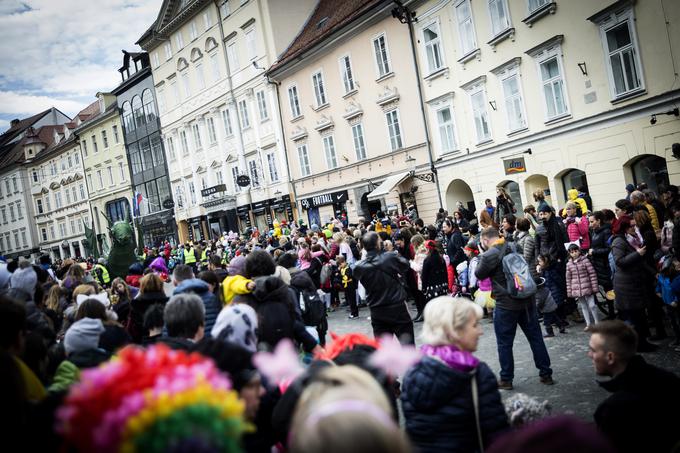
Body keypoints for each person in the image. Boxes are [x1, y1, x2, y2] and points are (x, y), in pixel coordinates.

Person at [401, 296, 509, 453]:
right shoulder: (476, 374)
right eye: (474, 325)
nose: (480, 331)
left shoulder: (412, 371)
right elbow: (498, 436)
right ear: (455, 331)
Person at [475, 227, 553, 389]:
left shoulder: (489, 255)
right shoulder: (514, 246)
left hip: (506, 304)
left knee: (504, 343)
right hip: (526, 299)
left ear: (485, 240)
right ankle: (546, 374)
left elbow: (479, 274)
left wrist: (482, 252)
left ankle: (506, 379)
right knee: (536, 338)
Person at [588, 320, 680, 453]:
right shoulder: (668, 378)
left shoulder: (613, 409)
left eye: (593, 350)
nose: (589, 354)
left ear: (610, 357)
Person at [354, 232, 415, 345]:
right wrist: (387, 252)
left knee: (382, 348)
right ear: (379, 244)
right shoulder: (390, 257)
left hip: (377, 310)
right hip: (396, 307)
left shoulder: (358, 267)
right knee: (408, 345)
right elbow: (405, 265)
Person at [610, 215, 657, 352]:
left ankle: (642, 343)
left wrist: (654, 273)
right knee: (635, 317)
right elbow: (620, 262)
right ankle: (639, 345)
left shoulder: (632, 238)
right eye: (631, 226)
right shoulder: (618, 241)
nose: (634, 228)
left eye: (634, 225)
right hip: (626, 286)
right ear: (624, 227)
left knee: (640, 316)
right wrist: (637, 254)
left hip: (635, 283)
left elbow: (640, 262)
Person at [172, 264, 221, 336]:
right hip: (213, 344)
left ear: (174, 282)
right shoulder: (212, 297)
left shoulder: (173, 303)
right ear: (193, 276)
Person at [565, 244, 601, 330]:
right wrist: (569, 291)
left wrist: (594, 287)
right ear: (569, 253)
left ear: (579, 251)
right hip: (577, 289)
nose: (574, 253)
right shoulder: (569, 264)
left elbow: (592, 274)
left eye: (575, 251)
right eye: (572, 252)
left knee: (592, 305)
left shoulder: (585, 261)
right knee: (583, 306)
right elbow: (568, 278)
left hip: (588, 286)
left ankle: (597, 322)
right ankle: (588, 324)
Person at [128, 273, 169, 343]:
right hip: (166, 343)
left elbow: (132, 329)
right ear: (160, 285)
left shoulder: (136, 304)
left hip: (143, 343)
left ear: (142, 286)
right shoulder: (166, 302)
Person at [420, 240, 448, 307]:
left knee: (434, 307)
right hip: (443, 286)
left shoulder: (427, 260)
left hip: (432, 288)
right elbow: (445, 273)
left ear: (428, 249)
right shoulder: (441, 258)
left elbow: (424, 276)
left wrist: (424, 289)